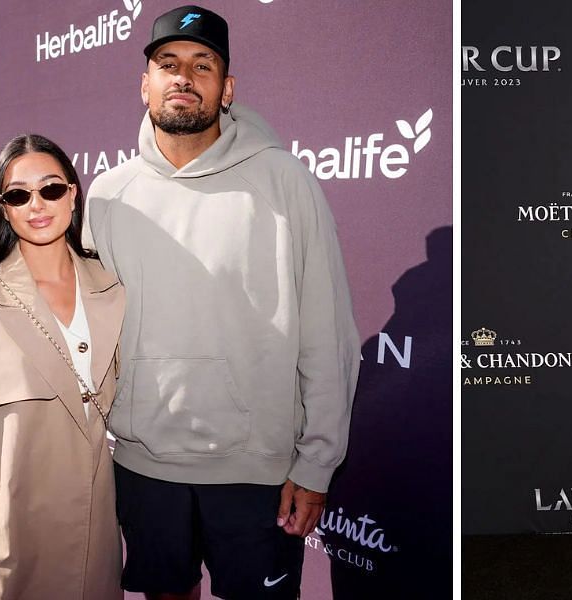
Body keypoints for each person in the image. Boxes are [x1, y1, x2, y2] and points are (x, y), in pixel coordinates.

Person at [83, 5, 360, 599]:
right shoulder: (107, 196)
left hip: (256, 475)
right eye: (168, 64)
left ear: (226, 88)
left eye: (202, 65)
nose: (183, 76)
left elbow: (327, 333)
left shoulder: (286, 181)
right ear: (145, 84)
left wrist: (316, 464)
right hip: (142, 466)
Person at [0, 134, 125, 600]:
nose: (37, 204)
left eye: (52, 189)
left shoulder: (112, 288)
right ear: (3, 208)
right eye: (18, 194)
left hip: (91, 538)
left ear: (74, 195)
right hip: (8, 540)